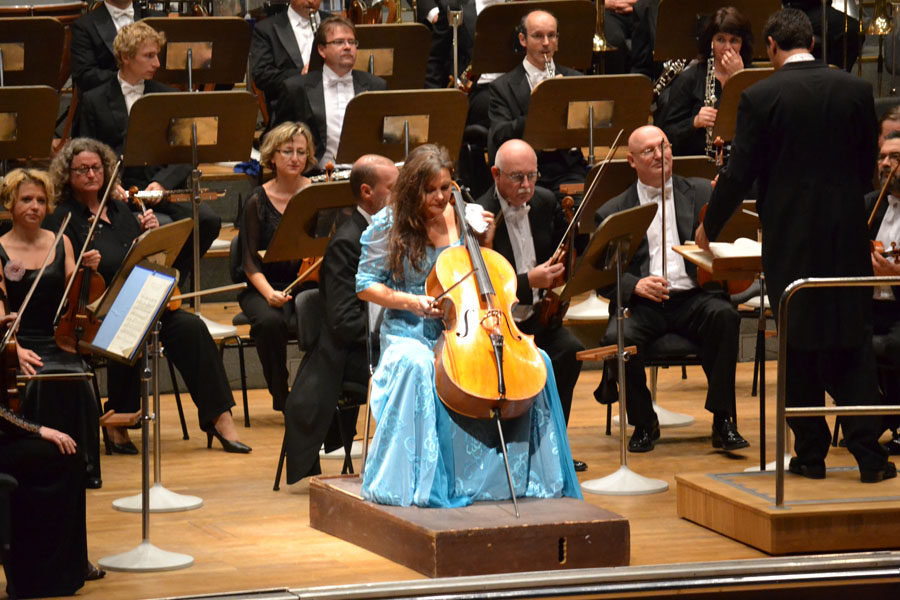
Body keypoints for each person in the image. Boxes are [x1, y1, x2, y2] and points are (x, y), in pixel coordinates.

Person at [697, 8, 895, 482]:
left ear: (770, 46)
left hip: (790, 238)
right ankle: (869, 457)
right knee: (853, 340)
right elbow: (865, 164)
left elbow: (739, 172)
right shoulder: (856, 89)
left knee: (798, 342)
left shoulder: (761, 96)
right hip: (846, 234)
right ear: (812, 41)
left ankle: (810, 454)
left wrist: (710, 226)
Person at [356, 143, 581, 507]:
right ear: (412, 188)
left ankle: (519, 478)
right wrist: (412, 302)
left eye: (446, 188)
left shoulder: (461, 214)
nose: (440, 197)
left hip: (461, 326)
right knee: (419, 365)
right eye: (430, 190)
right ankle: (426, 481)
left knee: (536, 361)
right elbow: (366, 285)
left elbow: (477, 268)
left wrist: (484, 238)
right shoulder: (388, 224)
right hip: (408, 330)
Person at [45, 138, 250, 455]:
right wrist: (85, 266)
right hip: (96, 310)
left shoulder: (121, 210)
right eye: (81, 169)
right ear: (67, 175)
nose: (91, 174)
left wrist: (149, 235)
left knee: (191, 328)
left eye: (96, 167)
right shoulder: (63, 217)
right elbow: (57, 272)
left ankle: (219, 417)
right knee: (131, 329)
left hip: (140, 300)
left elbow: (143, 255)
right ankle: (118, 419)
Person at [595, 125, 747, 453]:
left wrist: (724, 204)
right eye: (649, 150)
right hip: (645, 305)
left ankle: (723, 420)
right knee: (618, 336)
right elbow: (602, 278)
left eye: (663, 146)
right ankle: (644, 422)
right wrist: (636, 284)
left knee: (725, 317)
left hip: (695, 298)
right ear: (631, 160)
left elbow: (731, 238)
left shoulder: (703, 192)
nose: (659, 155)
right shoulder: (613, 211)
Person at [75, 21, 221, 284]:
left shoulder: (167, 96)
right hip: (115, 192)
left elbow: (186, 154)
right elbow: (84, 151)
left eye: (157, 55)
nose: (157, 63)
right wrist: (109, 184)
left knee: (207, 220)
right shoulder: (94, 99)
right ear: (126, 57)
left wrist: (161, 183)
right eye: (149, 56)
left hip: (157, 187)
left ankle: (170, 281)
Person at [473, 139, 587, 472]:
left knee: (569, 351)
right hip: (499, 325)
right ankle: (509, 452)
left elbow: (567, 249)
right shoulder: (479, 214)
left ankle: (555, 448)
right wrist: (528, 281)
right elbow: (481, 282)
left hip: (539, 318)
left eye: (532, 176)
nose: (526, 185)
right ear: (495, 174)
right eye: (517, 177)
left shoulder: (546, 201)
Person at [283, 154, 397, 484]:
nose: (401, 195)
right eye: (392, 188)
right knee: (413, 369)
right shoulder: (347, 241)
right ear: (366, 192)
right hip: (353, 353)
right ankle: (395, 464)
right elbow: (344, 321)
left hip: (380, 340)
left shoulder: (396, 231)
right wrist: (394, 333)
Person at [0, 170, 102, 490]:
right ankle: (40, 459)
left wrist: (89, 270)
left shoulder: (62, 241)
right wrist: (14, 349)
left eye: (41, 200)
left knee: (79, 376)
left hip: (58, 337)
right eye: (26, 199)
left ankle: (83, 463)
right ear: (10, 204)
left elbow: (76, 294)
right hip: (19, 339)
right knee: (35, 378)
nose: (35, 206)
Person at [238, 122, 315, 412]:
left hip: (307, 283)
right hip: (263, 286)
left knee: (332, 314)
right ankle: (281, 394)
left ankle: (316, 390)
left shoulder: (317, 194)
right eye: (288, 151)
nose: (295, 158)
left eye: (301, 152)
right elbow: (249, 261)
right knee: (269, 322)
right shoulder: (256, 200)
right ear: (272, 156)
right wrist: (269, 293)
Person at [487, 9, 587, 194]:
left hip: (567, 169)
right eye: (538, 36)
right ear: (523, 40)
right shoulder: (501, 87)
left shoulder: (575, 80)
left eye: (551, 35)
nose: (546, 43)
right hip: (523, 173)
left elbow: (589, 127)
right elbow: (500, 134)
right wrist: (539, 107)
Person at [272, 17, 387, 167]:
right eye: (339, 42)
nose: (347, 47)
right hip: (316, 174)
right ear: (321, 50)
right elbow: (278, 138)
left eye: (352, 42)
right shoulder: (296, 88)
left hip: (365, 173)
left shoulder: (376, 86)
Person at [657, 7, 754, 157]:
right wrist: (694, 122)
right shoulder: (689, 79)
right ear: (711, 42)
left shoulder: (753, 77)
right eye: (720, 40)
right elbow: (668, 134)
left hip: (745, 159)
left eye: (734, 40)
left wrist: (739, 78)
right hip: (700, 160)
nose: (727, 48)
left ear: (743, 43)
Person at [865, 131, 900, 456]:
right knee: (826, 343)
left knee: (892, 345)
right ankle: (871, 419)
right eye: (882, 157)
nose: (886, 164)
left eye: (895, 158)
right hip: (868, 308)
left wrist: (897, 276)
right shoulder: (868, 206)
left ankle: (885, 418)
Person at [249, 0, 331, 119]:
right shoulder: (266, 29)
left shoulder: (336, 24)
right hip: (290, 114)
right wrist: (301, 74)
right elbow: (262, 76)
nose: (310, 1)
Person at [69, 0, 164, 94]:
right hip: (108, 97)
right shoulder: (84, 26)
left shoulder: (158, 18)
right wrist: (125, 78)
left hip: (153, 95)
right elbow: (85, 76)